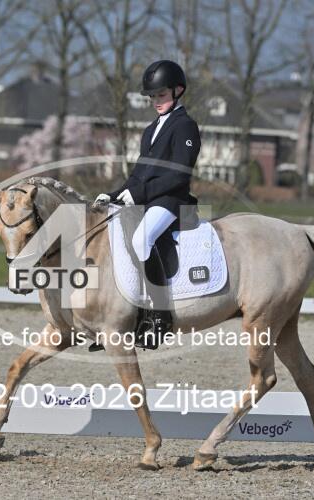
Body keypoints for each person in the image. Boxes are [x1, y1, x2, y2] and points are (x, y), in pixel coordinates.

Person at [92, 59, 201, 351]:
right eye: (152, 96)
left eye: (161, 95)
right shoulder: (151, 129)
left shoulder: (185, 126)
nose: (156, 101)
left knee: (142, 239)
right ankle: (123, 315)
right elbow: (138, 175)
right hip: (149, 200)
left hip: (172, 200)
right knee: (113, 237)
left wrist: (139, 195)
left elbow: (180, 175)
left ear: (178, 91)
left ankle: (160, 316)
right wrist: (114, 195)